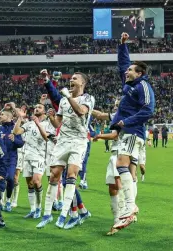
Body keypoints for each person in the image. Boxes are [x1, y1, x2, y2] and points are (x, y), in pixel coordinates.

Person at [37, 72, 95, 229]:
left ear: (82, 83)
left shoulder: (88, 98)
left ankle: (64, 215)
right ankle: (47, 215)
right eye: (70, 79)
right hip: (62, 141)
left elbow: (81, 112)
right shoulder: (63, 100)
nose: (71, 81)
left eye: (75, 79)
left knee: (71, 175)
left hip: (78, 141)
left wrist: (68, 97)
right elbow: (58, 124)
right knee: (54, 175)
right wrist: (51, 117)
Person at [110, 32, 155, 230]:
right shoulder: (129, 86)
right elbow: (122, 64)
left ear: (139, 73)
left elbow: (149, 110)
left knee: (121, 164)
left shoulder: (143, 85)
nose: (126, 71)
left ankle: (130, 207)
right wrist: (122, 45)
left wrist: (125, 121)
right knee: (126, 169)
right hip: (126, 131)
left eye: (130, 70)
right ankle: (129, 209)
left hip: (133, 131)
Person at [13, 103, 54, 219]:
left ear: (44, 112)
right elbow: (16, 132)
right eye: (35, 107)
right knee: (30, 184)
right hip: (27, 157)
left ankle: (39, 207)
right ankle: (32, 210)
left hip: (40, 157)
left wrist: (37, 123)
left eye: (39, 107)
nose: (36, 108)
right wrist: (20, 118)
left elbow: (46, 138)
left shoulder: (47, 124)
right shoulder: (28, 124)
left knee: (36, 181)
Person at [93, 100, 127, 235]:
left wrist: (99, 135)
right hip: (114, 153)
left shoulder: (123, 116)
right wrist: (85, 108)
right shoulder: (116, 116)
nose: (114, 106)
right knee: (112, 188)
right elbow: (100, 115)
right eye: (114, 105)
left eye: (117, 105)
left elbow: (114, 135)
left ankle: (123, 217)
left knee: (119, 185)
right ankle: (117, 219)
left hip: (121, 153)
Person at [0, 103, 24, 212]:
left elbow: (21, 143)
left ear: (9, 117)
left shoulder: (15, 129)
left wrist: (14, 139)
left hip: (11, 159)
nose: (0, 116)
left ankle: (9, 201)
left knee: (10, 179)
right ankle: (0, 201)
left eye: (2, 115)